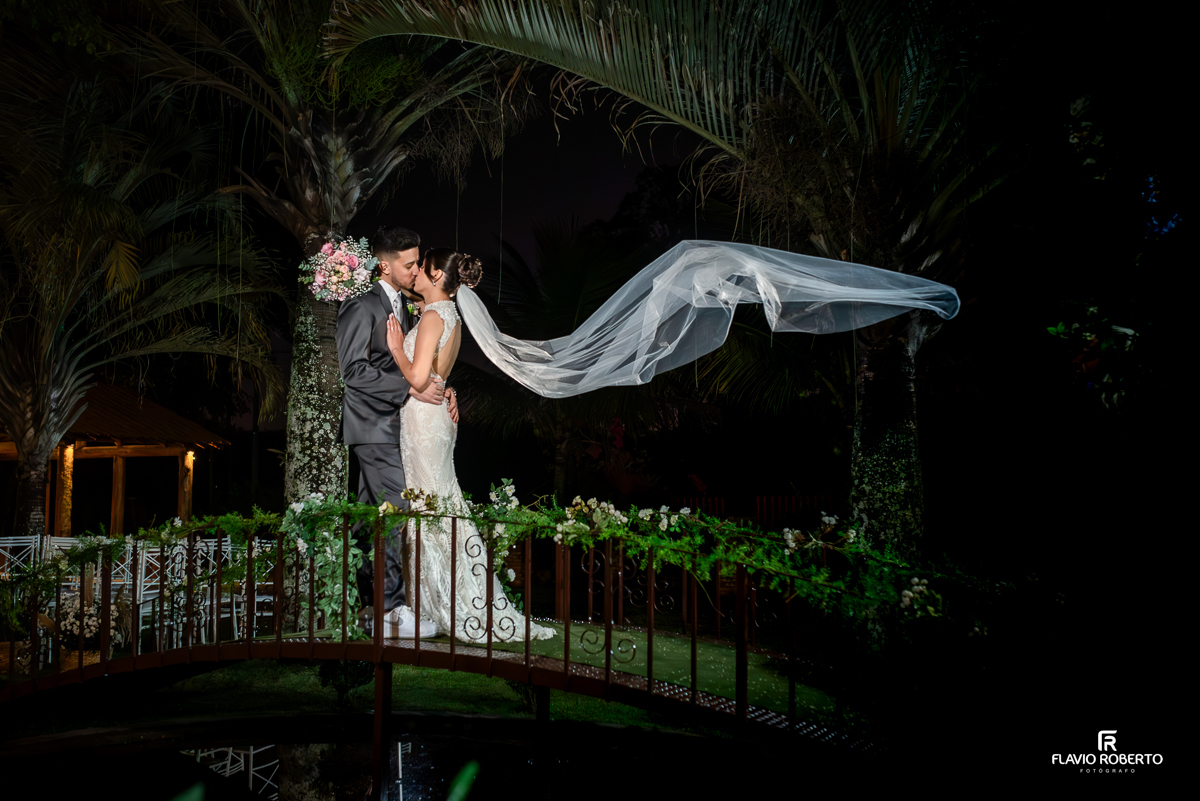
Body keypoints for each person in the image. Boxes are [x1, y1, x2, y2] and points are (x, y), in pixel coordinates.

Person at [385, 249, 555, 643]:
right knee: (441, 503)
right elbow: (440, 374)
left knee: (430, 505)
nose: (414, 275)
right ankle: (437, 601)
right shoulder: (450, 315)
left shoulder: (431, 316)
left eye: (420, 268)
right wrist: (448, 387)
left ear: (434, 273)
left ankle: (439, 603)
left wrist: (396, 345)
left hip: (423, 419)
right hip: (437, 418)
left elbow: (418, 375)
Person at [336, 227, 459, 639]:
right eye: (409, 264)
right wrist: (412, 386)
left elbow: (417, 358)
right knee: (396, 510)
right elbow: (353, 372)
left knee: (368, 520)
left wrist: (442, 387)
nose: (416, 270)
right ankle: (391, 609)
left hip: (399, 426)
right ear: (384, 265)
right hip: (372, 426)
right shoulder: (360, 306)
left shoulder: (409, 307)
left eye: (418, 262)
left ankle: (366, 609)